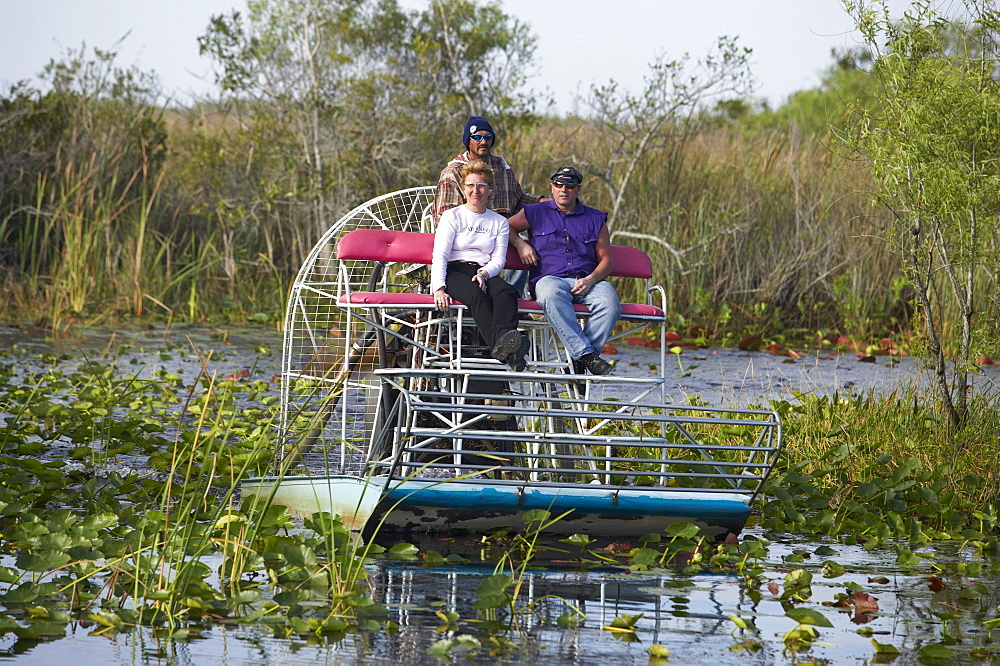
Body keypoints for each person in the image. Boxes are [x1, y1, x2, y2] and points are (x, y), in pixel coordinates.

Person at [506, 166, 620, 376]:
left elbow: (606, 261)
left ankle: (581, 360)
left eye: (569, 186)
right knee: (550, 293)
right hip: (550, 280)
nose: (563, 190)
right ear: (552, 187)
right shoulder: (535, 212)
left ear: (578, 189)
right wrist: (521, 245)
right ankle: (587, 357)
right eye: (558, 185)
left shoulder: (595, 219)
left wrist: (591, 279)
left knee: (610, 301)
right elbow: (505, 228)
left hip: (587, 281)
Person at [431, 161, 530, 371]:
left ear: (490, 190)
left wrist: (484, 274)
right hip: (455, 270)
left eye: (481, 186)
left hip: (483, 271)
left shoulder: (499, 222)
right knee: (477, 296)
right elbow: (440, 254)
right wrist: (438, 288)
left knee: (506, 291)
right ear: (464, 189)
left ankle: (504, 345)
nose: (475, 191)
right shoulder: (452, 217)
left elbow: (498, 260)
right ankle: (506, 351)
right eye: (470, 185)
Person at [432, 116, 545, 296]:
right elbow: (444, 218)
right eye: (477, 137)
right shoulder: (453, 173)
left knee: (531, 246)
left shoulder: (501, 167)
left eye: (488, 137)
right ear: (468, 141)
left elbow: (519, 199)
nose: (483, 141)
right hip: (469, 242)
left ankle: (516, 302)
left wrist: (544, 203)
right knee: (519, 244)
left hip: (503, 234)